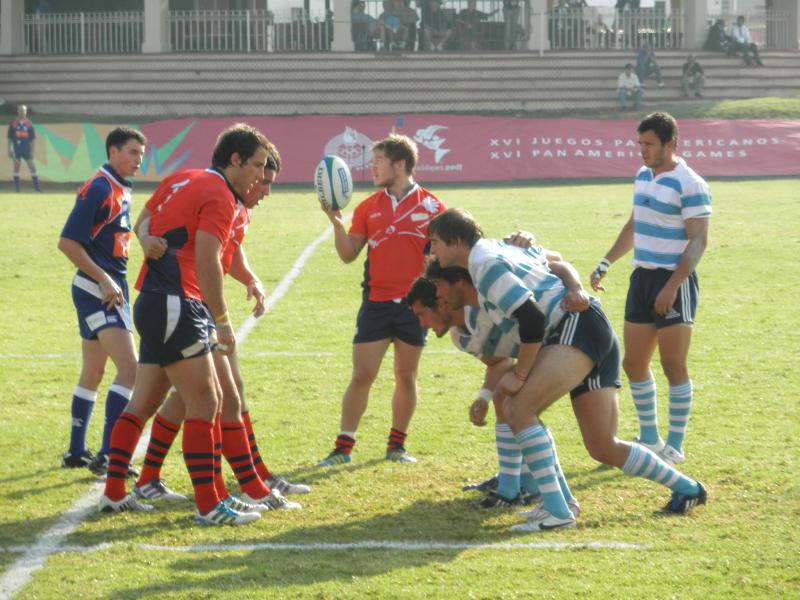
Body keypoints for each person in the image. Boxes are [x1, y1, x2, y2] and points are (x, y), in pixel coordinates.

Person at [428, 208, 708, 532]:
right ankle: (688, 489)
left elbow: (531, 318)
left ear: (457, 240)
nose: (432, 250)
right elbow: (555, 260)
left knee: (517, 406)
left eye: (434, 242)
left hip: (576, 326)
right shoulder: (495, 250)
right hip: (586, 324)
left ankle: (558, 511)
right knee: (602, 445)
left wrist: (520, 376)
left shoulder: (482, 264)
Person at [98, 123, 271, 527]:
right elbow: (211, 261)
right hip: (179, 303)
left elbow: (142, 219)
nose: (260, 176)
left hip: (156, 302)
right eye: (257, 166)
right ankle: (210, 504)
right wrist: (224, 322)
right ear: (235, 160)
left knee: (144, 403)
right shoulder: (220, 195)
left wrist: (145, 238)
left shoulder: (182, 178)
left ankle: (114, 492)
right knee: (207, 402)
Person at [131, 160, 310, 506]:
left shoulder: (238, 207)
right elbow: (203, 253)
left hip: (194, 303)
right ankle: (243, 486)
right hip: (189, 302)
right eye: (262, 178)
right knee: (218, 395)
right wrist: (222, 319)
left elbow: (231, 250)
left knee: (197, 396)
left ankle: (157, 478)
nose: (265, 188)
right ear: (241, 168)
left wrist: (250, 278)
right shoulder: (214, 194)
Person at [408, 253, 587, 511]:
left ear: (442, 303)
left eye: (421, 314)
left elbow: (554, 261)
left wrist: (575, 286)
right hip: (551, 344)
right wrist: (483, 397)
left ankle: (532, 494)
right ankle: (529, 490)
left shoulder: (481, 298)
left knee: (598, 444)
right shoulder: (461, 337)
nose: (422, 324)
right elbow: (499, 363)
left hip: (572, 330)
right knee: (512, 402)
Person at [316, 134, 446, 467]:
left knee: (406, 376)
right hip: (375, 301)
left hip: (415, 308)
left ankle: (396, 446)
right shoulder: (367, 207)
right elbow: (348, 254)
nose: (371, 168)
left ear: (399, 164)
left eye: (377, 162)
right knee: (362, 375)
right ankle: (343, 448)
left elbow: (443, 261)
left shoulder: (434, 208)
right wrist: (335, 223)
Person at [590, 112, 711, 468]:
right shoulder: (643, 175)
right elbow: (635, 223)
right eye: (639, 144)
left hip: (674, 279)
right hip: (641, 279)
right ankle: (649, 438)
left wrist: (673, 286)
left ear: (671, 144)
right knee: (633, 362)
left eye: (649, 144)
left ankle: (675, 445)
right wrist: (607, 261)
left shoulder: (690, 183)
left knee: (673, 365)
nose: (642, 151)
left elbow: (699, 242)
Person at [57, 127, 146, 473]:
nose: (138, 159)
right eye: (132, 152)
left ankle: (76, 452)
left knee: (94, 371)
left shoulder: (120, 185)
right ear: (112, 152)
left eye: (141, 153)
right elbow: (67, 243)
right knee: (131, 367)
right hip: (98, 290)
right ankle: (110, 454)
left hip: (107, 287)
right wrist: (105, 279)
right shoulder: (99, 187)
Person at [7, 105, 42, 193]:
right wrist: (9, 149)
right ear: (17, 111)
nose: (22, 112)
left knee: (32, 167)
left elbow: (32, 139)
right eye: (20, 110)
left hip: (26, 148)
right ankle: (17, 189)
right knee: (16, 167)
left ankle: (37, 188)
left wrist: (32, 151)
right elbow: (10, 139)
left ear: (26, 112)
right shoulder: (13, 123)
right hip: (16, 148)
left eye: (23, 110)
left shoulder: (29, 124)